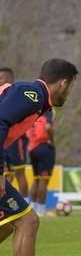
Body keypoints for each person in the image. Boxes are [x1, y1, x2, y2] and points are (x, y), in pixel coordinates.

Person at [0, 58, 78, 256]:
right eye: (71, 87)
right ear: (63, 83)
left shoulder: (33, 98)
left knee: (13, 221)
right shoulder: (32, 95)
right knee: (27, 221)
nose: (69, 93)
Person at [0, 68, 29, 198]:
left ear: (9, 79)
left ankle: (27, 203)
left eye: (0, 78)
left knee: (19, 172)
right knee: (7, 174)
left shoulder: (16, 94)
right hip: (4, 140)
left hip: (16, 140)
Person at [27, 110, 56, 216]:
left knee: (36, 179)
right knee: (44, 180)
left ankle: (33, 208)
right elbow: (48, 127)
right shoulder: (48, 110)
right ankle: (41, 209)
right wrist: (52, 141)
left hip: (32, 148)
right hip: (44, 147)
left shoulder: (32, 110)